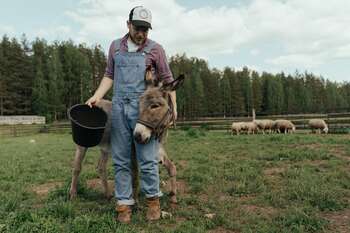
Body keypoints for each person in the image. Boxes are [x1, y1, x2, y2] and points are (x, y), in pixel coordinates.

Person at [86, 6, 176, 223]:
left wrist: (174, 109)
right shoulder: (115, 47)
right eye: (138, 28)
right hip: (118, 110)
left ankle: (153, 204)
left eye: (146, 29)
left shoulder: (156, 50)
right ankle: (124, 206)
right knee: (121, 159)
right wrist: (97, 96)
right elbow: (109, 75)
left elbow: (168, 80)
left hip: (143, 112)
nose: (142, 33)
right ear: (128, 25)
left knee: (147, 159)